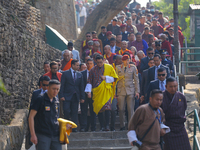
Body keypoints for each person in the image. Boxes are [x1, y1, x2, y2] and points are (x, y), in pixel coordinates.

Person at [29, 80, 70, 150]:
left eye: (57, 89)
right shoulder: (40, 99)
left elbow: (55, 118)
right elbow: (31, 117)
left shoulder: (56, 101)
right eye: (53, 89)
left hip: (55, 135)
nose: (55, 91)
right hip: (43, 134)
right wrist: (33, 134)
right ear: (48, 88)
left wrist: (64, 125)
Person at [85, 55, 118, 131]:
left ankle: (107, 126)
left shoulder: (109, 67)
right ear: (95, 62)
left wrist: (106, 78)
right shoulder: (92, 70)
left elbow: (115, 78)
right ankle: (102, 126)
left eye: (101, 62)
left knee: (107, 108)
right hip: (97, 92)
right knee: (99, 109)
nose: (99, 64)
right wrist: (89, 92)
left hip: (106, 90)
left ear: (103, 60)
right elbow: (89, 81)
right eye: (98, 62)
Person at [161, 77, 191, 150]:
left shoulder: (181, 96)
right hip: (168, 128)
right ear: (166, 86)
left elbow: (184, 108)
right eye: (170, 86)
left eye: (175, 86)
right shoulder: (161, 97)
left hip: (180, 127)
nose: (173, 88)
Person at [60, 59, 85, 132]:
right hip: (67, 95)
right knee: (66, 110)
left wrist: (82, 97)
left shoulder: (80, 74)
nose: (78, 66)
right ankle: (67, 126)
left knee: (75, 112)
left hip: (76, 96)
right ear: (73, 65)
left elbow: (81, 87)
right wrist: (61, 95)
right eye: (77, 65)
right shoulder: (65, 73)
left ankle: (74, 128)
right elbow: (62, 85)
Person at [116, 55, 140, 130]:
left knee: (130, 109)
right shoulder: (118, 68)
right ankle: (122, 125)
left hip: (130, 89)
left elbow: (136, 80)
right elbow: (115, 80)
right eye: (125, 60)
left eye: (128, 60)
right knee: (121, 109)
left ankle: (131, 125)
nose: (126, 61)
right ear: (122, 61)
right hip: (121, 90)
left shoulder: (133, 67)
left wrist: (137, 91)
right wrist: (115, 92)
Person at [80, 58, 96, 132]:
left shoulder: (96, 73)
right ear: (86, 64)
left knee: (93, 111)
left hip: (94, 95)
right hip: (84, 95)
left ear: (93, 64)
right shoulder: (82, 73)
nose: (89, 65)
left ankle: (93, 127)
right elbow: (81, 85)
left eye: (91, 63)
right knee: (84, 111)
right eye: (88, 63)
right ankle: (84, 127)